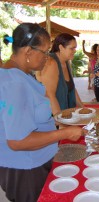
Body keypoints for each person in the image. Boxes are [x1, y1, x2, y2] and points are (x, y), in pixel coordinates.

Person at [0, 23, 84, 202]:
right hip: (26, 169)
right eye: (45, 52)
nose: (47, 57)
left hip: (29, 163)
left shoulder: (17, 75)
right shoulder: (15, 83)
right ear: (28, 52)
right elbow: (18, 141)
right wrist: (65, 132)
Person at [36, 33, 84, 116]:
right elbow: (49, 95)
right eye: (72, 48)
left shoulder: (66, 62)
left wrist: (83, 108)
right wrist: (61, 122)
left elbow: (72, 88)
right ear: (61, 47)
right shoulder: (51, 62)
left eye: (75, 48)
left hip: (65, 115)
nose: (75, 51)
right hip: (51, 117)